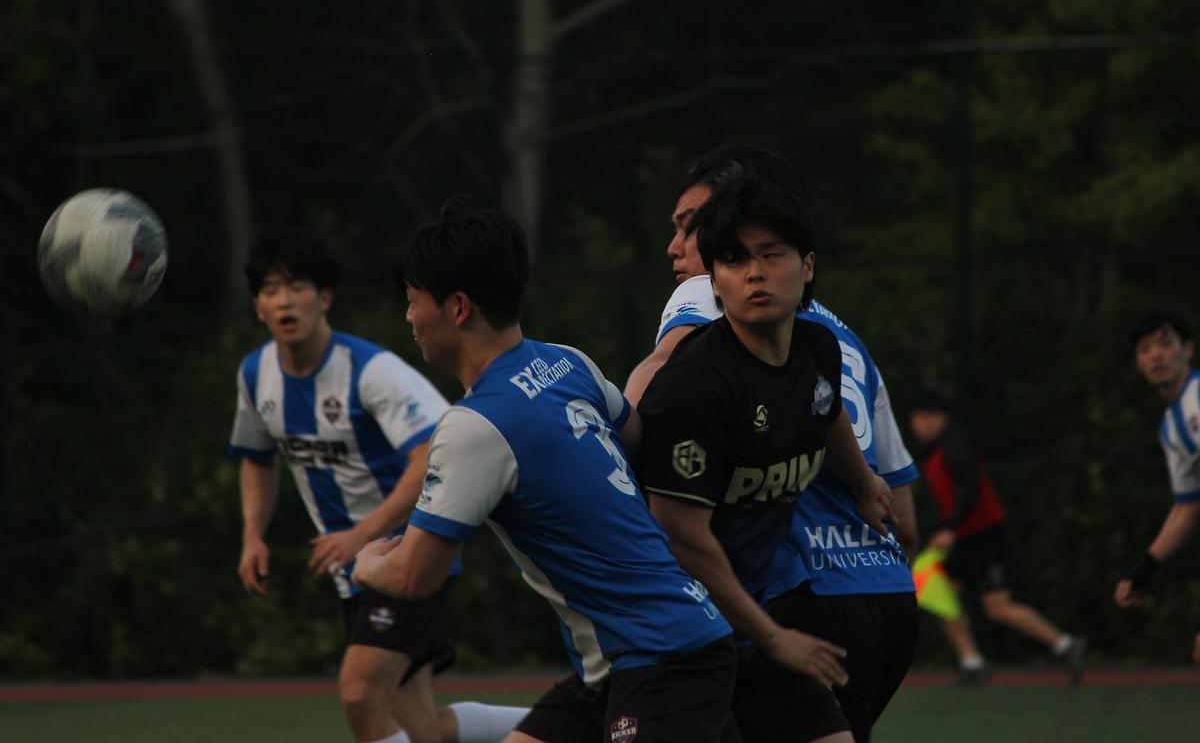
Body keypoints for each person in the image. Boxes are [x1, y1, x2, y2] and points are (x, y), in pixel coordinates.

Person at [353, 199, 738, 743]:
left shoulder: (475, 425)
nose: (409, 318)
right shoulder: (567, 361)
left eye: (413, 301)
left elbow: (413, 577)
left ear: (458, 308)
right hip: (626, 659)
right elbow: (638, 440)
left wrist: (365, 564)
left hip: (659, 657)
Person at [626, 145, 919, 743]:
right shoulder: (834, 336)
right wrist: (870, 495)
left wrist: (621, 433)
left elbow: (820, 404)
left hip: (786, 595)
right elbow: (904, 518)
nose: (677, 246)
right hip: (879, 591)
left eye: (690, 225)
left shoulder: (719, 302)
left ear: (804, 260)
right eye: (735, 255)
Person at [228, 229, 525, 743]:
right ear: (258, 307)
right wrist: (253, 535)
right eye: (271, 290)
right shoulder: (256, 375)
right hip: (357, 572)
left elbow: (432, 453)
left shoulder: (370, 371)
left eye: (296, 287)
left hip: (408, 555)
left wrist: (361, 534)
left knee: (360, 696)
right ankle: (575, 726)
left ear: (324, 298)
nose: (284, 301)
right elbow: (256, 460)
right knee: (423, 730)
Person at [907, 392, 1087, 683]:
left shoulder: (955, 445)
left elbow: (970, 489)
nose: (916, 425)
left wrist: (951, 528)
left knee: (998, 607)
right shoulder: (938, 449)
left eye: (920, 418)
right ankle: (972, 661)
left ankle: (1065, 645)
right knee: (937, 591)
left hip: (982, 535)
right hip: (964, 538)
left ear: (935, 417)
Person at [1115, 309, 1200, 665]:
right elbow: (1188, 506)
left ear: (1188, 349)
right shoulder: (1171, 427)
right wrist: (1144, 570)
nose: (1156, 355)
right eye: (1145, 349)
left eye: (1165, 344)